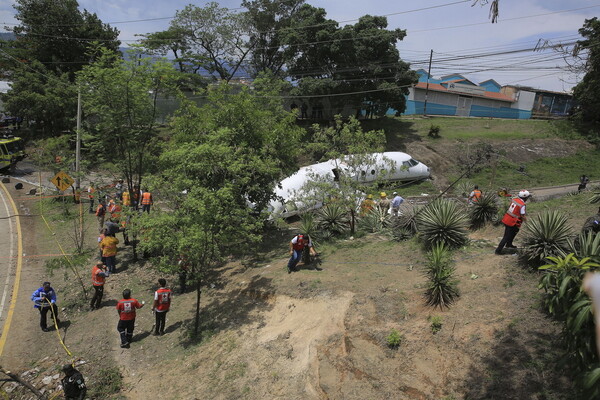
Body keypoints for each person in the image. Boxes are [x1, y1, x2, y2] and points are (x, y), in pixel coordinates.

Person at [495, 190, 530, 255]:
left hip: (507, 218)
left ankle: (509, 244)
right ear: (525, 198)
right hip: (512, 221)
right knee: (506, 236)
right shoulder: (522, 205)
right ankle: (498, 250)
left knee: (515, 230)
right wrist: (527, 222)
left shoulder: (514, 199)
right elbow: (522, 215)